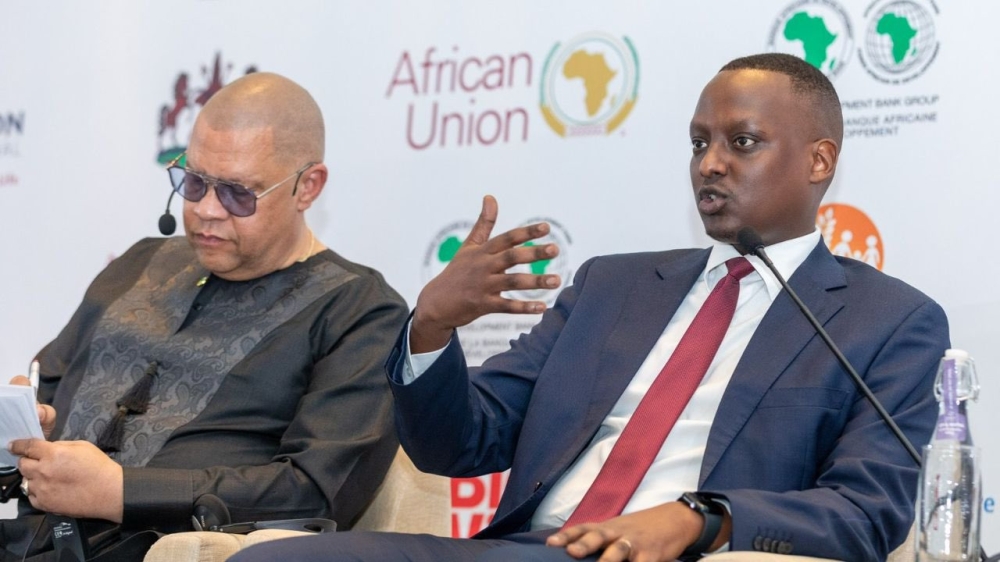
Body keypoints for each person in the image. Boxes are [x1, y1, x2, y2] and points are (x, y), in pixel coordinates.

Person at [233, 53, 948, 562]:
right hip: (524, 549)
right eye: (700, 143)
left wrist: (701, 520)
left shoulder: (884, 321)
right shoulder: (613, 288)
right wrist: (431, 329)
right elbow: (463, 443)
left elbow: (865, 511)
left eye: (743, 143)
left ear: (820, 162)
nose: (710, 163)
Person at [0, 72, 408, 561]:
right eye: (193, 181)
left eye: (238, 192)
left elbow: (315, 490)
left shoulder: (360, 312)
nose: (207, 210)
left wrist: (122, 491)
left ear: (307, 187)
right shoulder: (139, 264)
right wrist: (28, 424)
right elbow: (47, 387)